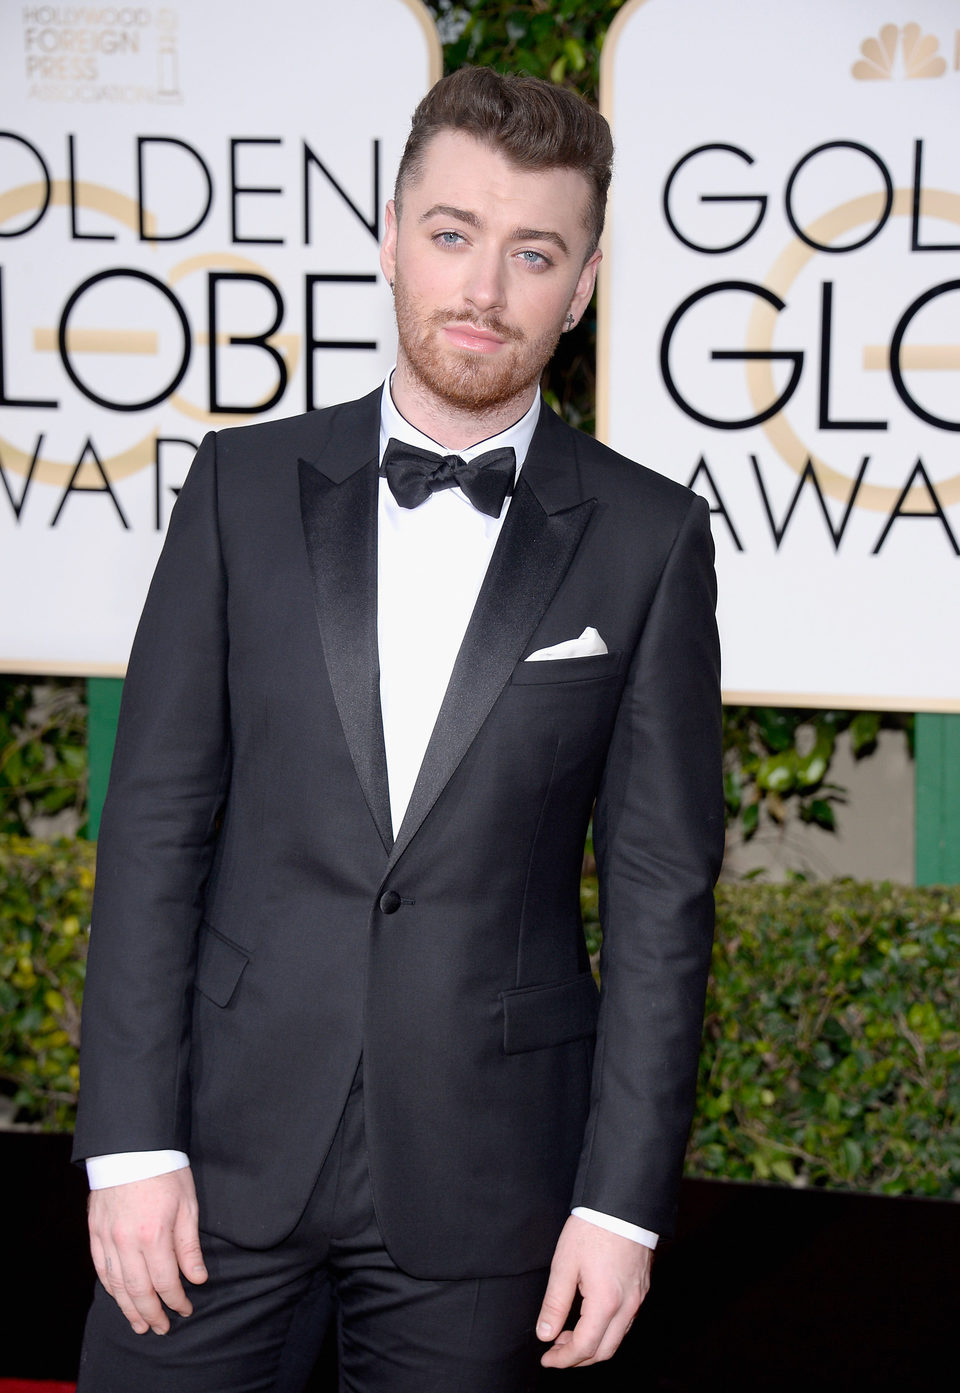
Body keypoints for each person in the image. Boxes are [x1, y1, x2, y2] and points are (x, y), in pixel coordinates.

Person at [74, 66, 724, 1392]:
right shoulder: (239, 489)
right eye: (451, 235)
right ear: (388, 239)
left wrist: (622, 1202)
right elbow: (152, 830)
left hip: (491, 1194)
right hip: (209, 1165)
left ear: (585, 283)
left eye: (532, 253)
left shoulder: (651, 540)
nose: (484, 291)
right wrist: (132, 1143)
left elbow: (664, 895)